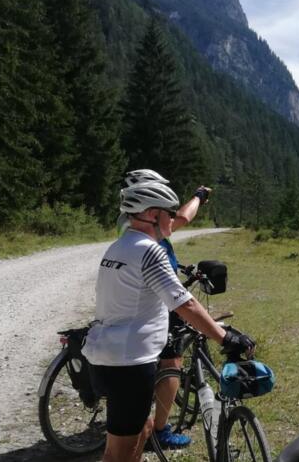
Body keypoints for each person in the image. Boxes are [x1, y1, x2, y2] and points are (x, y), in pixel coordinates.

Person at [83, 181, 254, 462]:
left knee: (143, 428)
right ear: (152, 214)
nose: (173, 220)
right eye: (169, 213)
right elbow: (184, 302)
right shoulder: (149, 251)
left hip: (107, 357)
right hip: (130, 363)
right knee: (118, 455)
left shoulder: (118, 246)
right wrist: (225, 338)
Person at [117, 169, 212, 449]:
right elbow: (182, 217)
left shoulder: (126, 221)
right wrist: (199, 196)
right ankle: (159, 430)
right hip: (157, 297)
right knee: (172, 361)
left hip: (136, 297)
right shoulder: (147, 226)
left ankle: (139, 419)